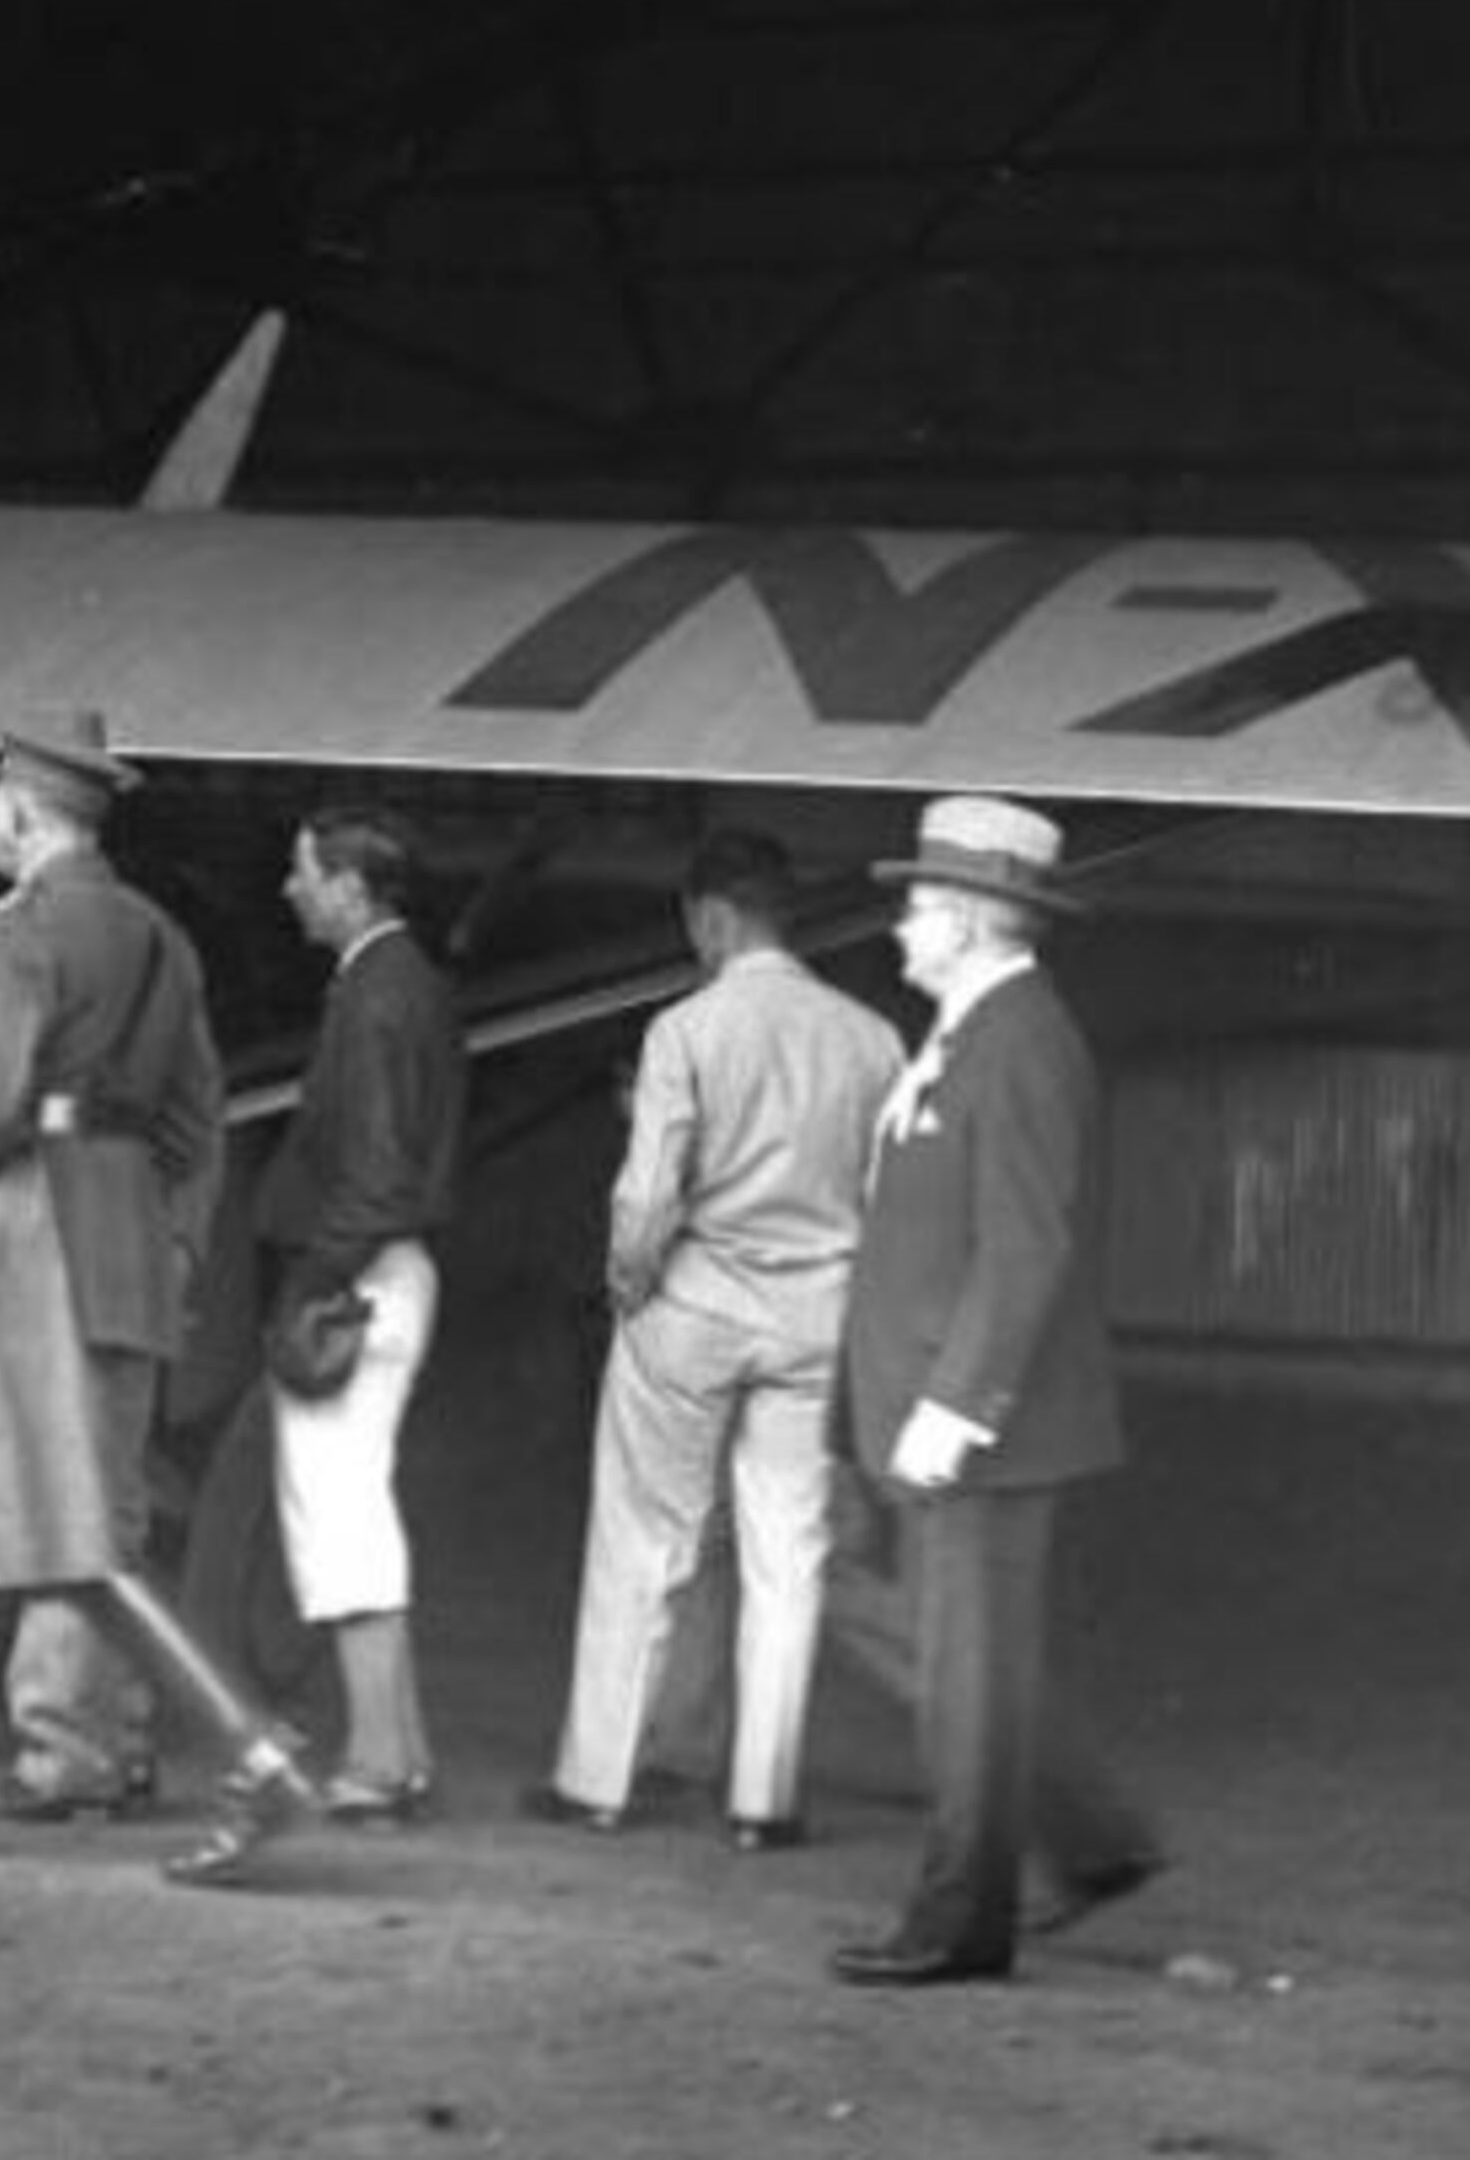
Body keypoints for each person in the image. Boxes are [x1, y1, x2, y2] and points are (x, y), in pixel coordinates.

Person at [0, 708, 315, 1887]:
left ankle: (255, 1755)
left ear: (23, 813)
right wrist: (175, 1253)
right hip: (123, 1244)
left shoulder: (15, 932)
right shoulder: (159, 937)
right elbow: (199, 1125)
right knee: (16, 1521)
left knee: (59, 1533)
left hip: (21, 1249)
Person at [829, 795, 1165, 1987]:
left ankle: (958, 1923)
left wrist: (956, 1406)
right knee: (978, 1667)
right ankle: (1095, 1840)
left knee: (965, 1682)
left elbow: (1027, 1246)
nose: (903, 925)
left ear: (972, 918)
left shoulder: (1020, 1041)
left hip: (982, 1431)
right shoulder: (979, 1030)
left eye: (919, 904)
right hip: (953, 1415)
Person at [528, 829, 902, 1848]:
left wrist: (628, 1286)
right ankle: (764, 1799)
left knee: (644, 1541)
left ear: (712, 915)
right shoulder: (871, 1038)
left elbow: (647, 1194)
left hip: (694, 1306)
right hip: (816, 1311)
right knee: (791, 1552)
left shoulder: (684, 1028)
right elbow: (885, 1196)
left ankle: (596, 1778)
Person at [252, 803, 462, 1824]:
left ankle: (378, 1758)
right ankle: (400, 1749)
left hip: (359, 1275)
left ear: (348, 884)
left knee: (342, 1515)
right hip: (383, 1269)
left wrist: (308, 1282)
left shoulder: (376, 995)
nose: (289, 889)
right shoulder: (396, 981)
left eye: (301, 871)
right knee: (351, 1504)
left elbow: (376, 1178)